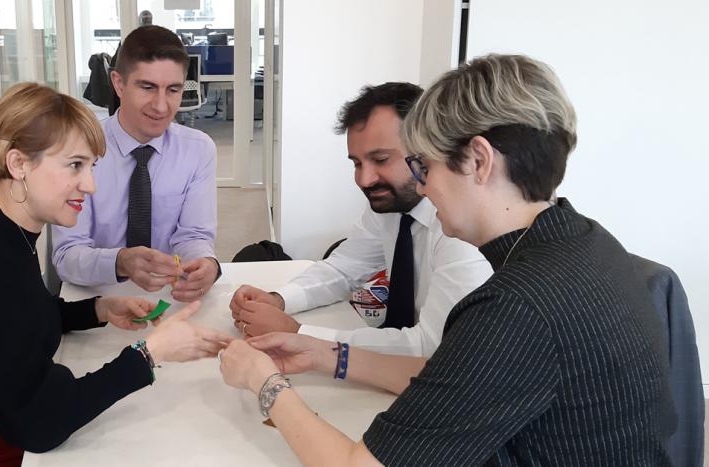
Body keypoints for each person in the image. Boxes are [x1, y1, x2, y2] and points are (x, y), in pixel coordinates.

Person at [219, 54, 675, 466]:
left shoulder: (515, 305)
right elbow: (448, 375)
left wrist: (266, 386)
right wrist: (324, 354)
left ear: (478, 159)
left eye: (425, 168)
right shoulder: (584, 238)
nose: (422, 187)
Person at [0, 83, 231, 466]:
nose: (90, 185)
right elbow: (39, 424)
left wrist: (99, 309)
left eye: (91, 167)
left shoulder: (3, 233)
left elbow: (18, 321)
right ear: (18, 164)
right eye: (75, 165)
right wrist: (149, 354)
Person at [229, 82, 490, 357]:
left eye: (381, 159)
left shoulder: (462, 229)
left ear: (427, 151)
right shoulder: (391, 205)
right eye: (357, 163)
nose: (365, 179)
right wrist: (278, 299)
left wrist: (299, 334)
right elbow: (343, 268)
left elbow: (433, 348)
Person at [52, 26, 220, 303]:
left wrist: (206, 263)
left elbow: (193, 235)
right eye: (147, 87)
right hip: (97, 299)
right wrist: (120, 262)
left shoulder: (198, 150)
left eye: (173, 90)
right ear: (118, 84)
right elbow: (66, 255)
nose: (161, 106)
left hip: (168, 298)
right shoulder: (77, 148)